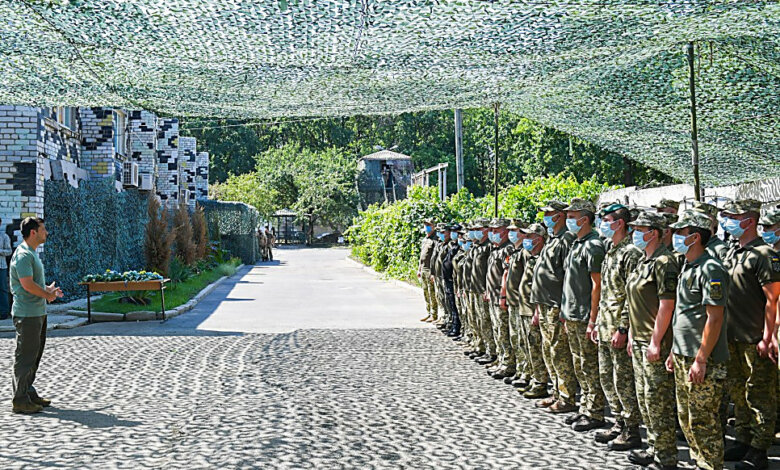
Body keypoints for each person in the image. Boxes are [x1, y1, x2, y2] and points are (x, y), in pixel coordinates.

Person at [667, 210, 730, 470]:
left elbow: (714, 318)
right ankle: (698, 462)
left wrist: (701, 359)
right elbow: (683, 314)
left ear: (695, 237)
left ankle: (710, 465)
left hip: (704, 359)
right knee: (686, 417)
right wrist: (674, 350)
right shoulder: (687, 266)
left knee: (703, 420)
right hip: (683, 355)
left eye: (680, 233)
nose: (674, 236)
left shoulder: (711, 269)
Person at [720, 200, 780, 470]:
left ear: (749, 221)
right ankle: (743, 439)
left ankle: (759, 450)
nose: (729, 221)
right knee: (739, 392)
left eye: (734, 216)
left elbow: (773, 299)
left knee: (759, 396)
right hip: (732, 337)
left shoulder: (764, 254)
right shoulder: (734, 252)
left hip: (754, 338)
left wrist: (768, 337)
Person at [625, 211, 680, 470]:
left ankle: (666, 456)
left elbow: (667, 305)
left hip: (654, 341)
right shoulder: (642, 260)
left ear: (654, 233)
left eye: (640, 229)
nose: (635, 233)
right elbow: (634, 301)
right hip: (639, 339)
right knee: (645, 397)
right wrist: (631, 334)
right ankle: (653, 447)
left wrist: (656, 341)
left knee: (658, 400)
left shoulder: (664, 262)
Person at [595, 204, 643, 450]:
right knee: (607, 378)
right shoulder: (611, 250)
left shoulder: (631, 253)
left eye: (606, 220)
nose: (602, 224)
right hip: (605, 324)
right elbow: (607, 292)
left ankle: (632, 429)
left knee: (623, 381)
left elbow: (631, 295)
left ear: (620, 223)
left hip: (617, 327)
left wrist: (623, 328)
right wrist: (596, 322)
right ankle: (618, 422)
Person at [561, 198, 608, 431]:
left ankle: (594, 411)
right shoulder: (577, 243)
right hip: (572, 314)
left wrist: (593, 319)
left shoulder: (593, 245)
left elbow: (597, 285)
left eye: (572, 216)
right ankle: (584, 407)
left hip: (583, 315)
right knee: (579, 364)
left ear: (585, 219)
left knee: (589, 365)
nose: (568, 220)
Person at [9, 217, 63, 414]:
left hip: (36, 312)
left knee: (34, 355)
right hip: (27, 314)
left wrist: (47, 289)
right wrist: (47, 295)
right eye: (43, 229)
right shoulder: (24, 255)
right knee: (26, 356)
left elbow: (34, 284)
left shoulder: (31, 253)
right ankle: (20, 399)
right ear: (33, 232)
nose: (46, 232)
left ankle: (28, 391)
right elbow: (27, 284)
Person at [530, 201, 578, 414]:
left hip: (556, 304)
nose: (546, 217)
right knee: (549, 350)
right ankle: (557, 392)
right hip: (545, 303)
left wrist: (564, 307)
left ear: (560, 215)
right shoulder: (554, 238)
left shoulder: (566, 239)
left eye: (549, 213)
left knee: (559, 352)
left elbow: (569, 276)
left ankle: (567, 397)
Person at [517, 223, 551, 399]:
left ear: (539, 239)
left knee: (536, 347)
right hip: (525, 308)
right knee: (528, 346)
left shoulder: (542, 258)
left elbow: (541, 287)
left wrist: (537, 310)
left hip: (533, 310)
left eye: (529, 236)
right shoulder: (531, 257)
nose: (526, 239)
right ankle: (532, 377)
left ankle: (540, 383)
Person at [485, 218, 515, 379]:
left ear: (505, 231)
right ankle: (500, 359)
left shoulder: (507, 249)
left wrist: (503, 295)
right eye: (491, 230)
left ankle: (508, 364)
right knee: (497, 330)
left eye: (496, 230)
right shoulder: (496, 249)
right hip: (492, 295)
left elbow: (506, 274)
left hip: (500, 296)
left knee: (503, 332)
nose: (493, 233)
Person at [501, 219, 529, 387]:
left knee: (522, 340)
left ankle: (526, 373)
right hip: (512, 301)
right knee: (514, 338)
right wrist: (503, 295)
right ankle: (519, 370)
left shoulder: (526, 253)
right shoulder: (514, 252)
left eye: (515, 230)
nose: (511, 233)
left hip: (521, 302)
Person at [470, 219, 497, 366]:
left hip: (484, 290)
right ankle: (482, 346)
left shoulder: (489, 247)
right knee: (479, 320)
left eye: (479, 229)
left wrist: (487, 288)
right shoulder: (479, 246)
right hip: (475, 288)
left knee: (487, 322)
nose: (476, 232)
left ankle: (491, 352)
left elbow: (489, 270)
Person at [442, 224, 462, 337]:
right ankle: (452, 324)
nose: (454, 234)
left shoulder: (460, 247)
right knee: (451, 304)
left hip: (454, 280)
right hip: (448, 279)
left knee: (455, 305)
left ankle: (456, 327)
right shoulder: (452, 245)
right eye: (452, 231)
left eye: (456, 232)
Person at [418, 219, 438, 323]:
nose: (427, 227)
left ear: (433, 226)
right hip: (423, 268)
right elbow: (422, 255)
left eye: (429, 225)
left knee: (432, 292)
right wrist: (419, 269)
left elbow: (435, 257)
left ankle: (434, 314)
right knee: (425, 291)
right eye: (425, 225)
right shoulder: (425, 239)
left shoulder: (435, 239)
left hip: (430, 269)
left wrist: (433, 272)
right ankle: (428, 312)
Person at [0, 223, 11, 320]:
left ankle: (4, 312)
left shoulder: (4, 237)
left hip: (1, 267)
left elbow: (9, 251)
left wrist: (0, 251)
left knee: (3, 289)